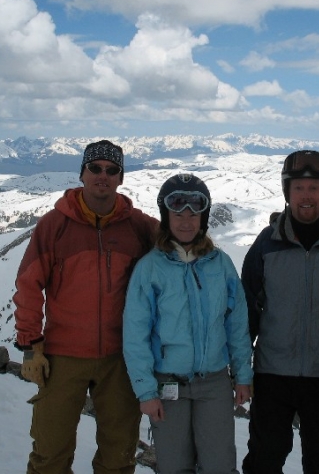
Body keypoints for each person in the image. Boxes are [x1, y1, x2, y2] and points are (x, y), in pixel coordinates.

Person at [13, 139, 159, 474]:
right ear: (82, 173)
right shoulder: (54, 226)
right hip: (63, 354)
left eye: (112, 170)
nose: (102, 175)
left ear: (121, 178)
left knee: (119, 454)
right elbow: (29, 285)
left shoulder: (138, 226)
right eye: (95, 168)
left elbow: (180, 246)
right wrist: (31, 345)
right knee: (50, 450)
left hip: (121, 357)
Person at [123, 173, 253, 474]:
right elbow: (135, 334)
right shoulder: (150, 269)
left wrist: (243, 374)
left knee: (219, 464)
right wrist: (146, 392)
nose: (186, 221)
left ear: (203, 219)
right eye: (177, 213)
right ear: (165, 216)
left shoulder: (220, 264)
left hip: (214, 382)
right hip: (168, 383)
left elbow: (236, 323)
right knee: (174, 465)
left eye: (194, 214)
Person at [241, 150, 319, 474]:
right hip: (272, 374)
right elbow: (246, 309)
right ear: (287, 192)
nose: (306, 196)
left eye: (313, 188)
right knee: (263, 460)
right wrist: (239, 367)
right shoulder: (268, 243)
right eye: (298, 188)